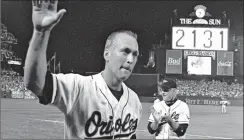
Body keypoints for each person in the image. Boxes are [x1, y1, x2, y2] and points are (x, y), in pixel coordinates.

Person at [24, 0, 142, 139]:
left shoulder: (134, 101)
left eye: (135, 54)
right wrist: (40, 33)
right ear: (106, 54)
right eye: (125, 51)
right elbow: (35, 83)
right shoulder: (79, 88)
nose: (130, 59)